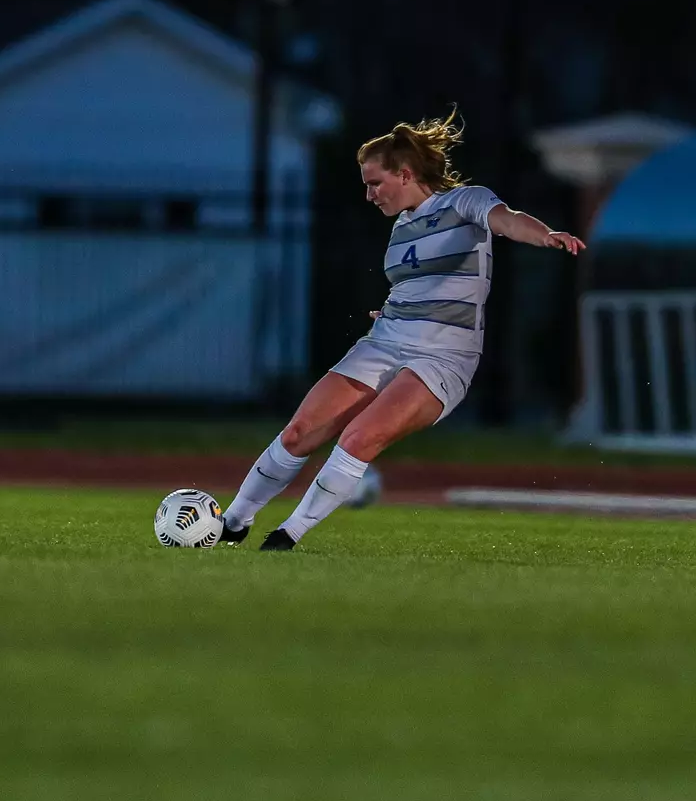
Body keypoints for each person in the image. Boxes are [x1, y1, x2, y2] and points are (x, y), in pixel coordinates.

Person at [220, 110, 584, 550]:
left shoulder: (463, 202)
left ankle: (287, 535)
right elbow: (417, 287)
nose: (369, 194)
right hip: (386, 341)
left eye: (375, 182)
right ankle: (233, 523)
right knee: (298, 432)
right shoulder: (402, 227)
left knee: (358, 438)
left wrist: (544, 234)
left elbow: (507, 219)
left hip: (443, 359)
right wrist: (397, 311)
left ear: (406, 174)